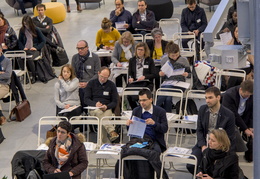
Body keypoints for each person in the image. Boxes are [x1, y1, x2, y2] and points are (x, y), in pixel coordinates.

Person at [187, 86, 236, 174]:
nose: (207, 101)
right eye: (206, 98)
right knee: (191, 165)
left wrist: (216, 146)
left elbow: (230, 137)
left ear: (218, 97)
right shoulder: (202, 109)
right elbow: (199, 130)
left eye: (210, 98)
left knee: (216, 168)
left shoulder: (229, 115)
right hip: (204, 144)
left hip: (220, 148)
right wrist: (203, 146)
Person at [84, 67, 119, 143]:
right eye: (101, 77)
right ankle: (111, 131)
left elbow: (114, 101)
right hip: (94, 108)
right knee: (100, 114)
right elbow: (86, 99)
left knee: (103, 119)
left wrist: (107, 106)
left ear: (108, 77)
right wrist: (95, 104)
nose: (103, 79)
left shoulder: (111, 85)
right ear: (98, 73)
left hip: (107, 108)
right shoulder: (91, 83)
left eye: (105, 78)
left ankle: (101, 144)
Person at [222, 80, 253, 162]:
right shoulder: (229, 95)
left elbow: (252, 111)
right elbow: (232, 115)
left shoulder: (251, 95)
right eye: (246, 95)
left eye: (249, 95)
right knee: (233, 130)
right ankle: (237, 151)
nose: (248, 97)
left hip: (244, 118)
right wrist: (245, 128)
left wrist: (251, 126)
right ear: (240, 89)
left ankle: (250, 153)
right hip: (229, 119)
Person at [156, 41, 190, 112]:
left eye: (176, 55)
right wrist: (160, 73)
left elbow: (190, 74)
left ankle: (154, 108)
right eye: (172, 56)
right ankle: (167, 114)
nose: (175, 57)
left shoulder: (184, 60)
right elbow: (160, 73)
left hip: (180, 83)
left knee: (166, 91)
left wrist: (187, 74)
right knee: (168, 97)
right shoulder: (164, 60)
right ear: (168, 54)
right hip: (167, 82)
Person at [71, 40, 101, 112]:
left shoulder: (95, 57)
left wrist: (88, 83)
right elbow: (72, 73)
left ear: (87, 47)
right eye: (78, 48)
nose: (80, 50)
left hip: (91, 82)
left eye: (82, 48)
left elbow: (97, 73)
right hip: (78, 82)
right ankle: (79, 111)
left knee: (85, 91)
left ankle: (85, 111)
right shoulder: (75, 58)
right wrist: (77, 82)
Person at [18, 15, 46, 84]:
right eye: (24, 24)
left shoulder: (36, 29)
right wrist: (23, 48)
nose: (26, 26)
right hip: (26, 49)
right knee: (20, 59)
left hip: (34, 49)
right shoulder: (22, 30)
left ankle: (33, 76)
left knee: (29, 59)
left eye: (27, 24)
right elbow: (19, 41)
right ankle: (26, 76)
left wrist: (36, 47)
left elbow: (43, 40)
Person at [127, 42, 156, 109]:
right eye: (138, 49)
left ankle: (142, 108)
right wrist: (130, 78)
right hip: (135, 81)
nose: (139, 51)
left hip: (146, 82)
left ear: (145, 51)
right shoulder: (132, 60)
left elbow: (154, 74)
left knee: (142, 94)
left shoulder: (149, 60)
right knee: (128, 94)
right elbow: (130, 73)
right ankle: (135, 109)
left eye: (141, 50)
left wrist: (145, 77)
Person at [0, 45, 12, 125]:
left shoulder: (7, 61)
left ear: (1, 50)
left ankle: (1, 116)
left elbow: (8, 75)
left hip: (4, 86)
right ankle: (1, 115)